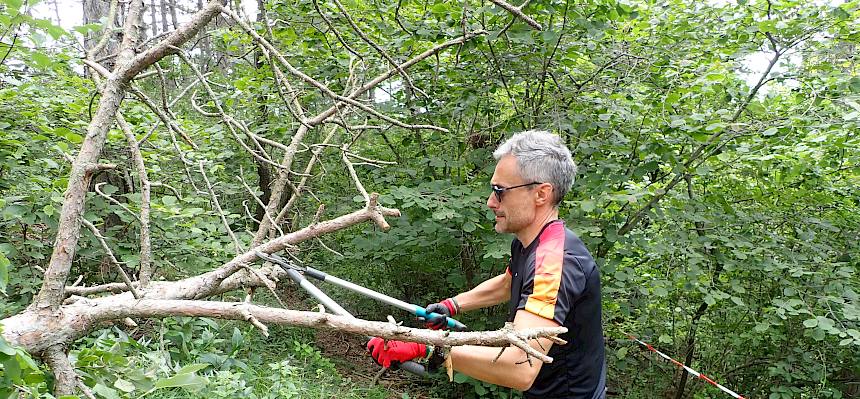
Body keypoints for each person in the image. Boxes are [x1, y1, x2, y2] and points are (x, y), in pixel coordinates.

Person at [367, 130, 606, 399]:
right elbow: (507, 283)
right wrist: (452, 305)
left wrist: (426, 347)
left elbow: (520, 367)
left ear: (541, 194)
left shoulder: (553, 263)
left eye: (500, 191)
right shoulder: (530, 243)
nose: (491, 202)